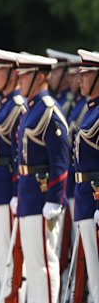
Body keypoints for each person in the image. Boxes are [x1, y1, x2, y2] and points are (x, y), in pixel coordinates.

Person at [14, 52, 68, 303]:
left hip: (40, 196)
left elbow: (60, 160)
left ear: (39, 77)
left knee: (44, 263)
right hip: (28, 194)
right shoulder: (32, 109)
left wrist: (54, 199)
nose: (20, 81)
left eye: (24, 75)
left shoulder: (48, 111)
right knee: (33, 264)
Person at [0, 47, 26, 301]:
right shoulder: (3, 105)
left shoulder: (17, 107)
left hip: (6, 189)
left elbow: (17, 156)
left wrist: (15, 193)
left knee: (11, 256)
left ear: (13, 75)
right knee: (1, 254)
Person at [71, 49, 99, 301]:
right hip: (84, 200)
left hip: (95, 200)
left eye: (86, 74)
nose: (79, 79)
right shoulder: (89, 110)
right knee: (91, 273)